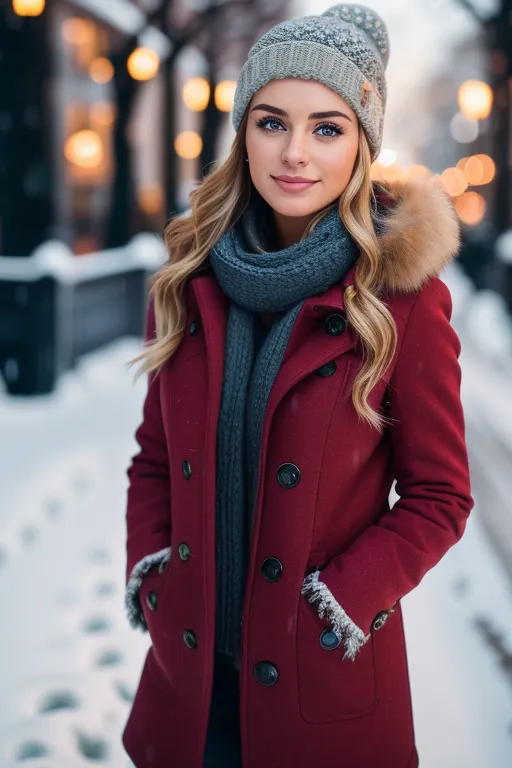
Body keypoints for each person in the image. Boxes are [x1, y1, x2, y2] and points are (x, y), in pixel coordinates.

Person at [122, 4, 474, 767]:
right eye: (272, 121)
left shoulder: (400, 301)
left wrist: (339, 603)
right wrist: (152, 575)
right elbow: (154, 460)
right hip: (192, 682)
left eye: (327, 128)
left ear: (362, 145)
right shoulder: (188, 280)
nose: (294, 154)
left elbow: (441, 497)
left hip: (321, 687)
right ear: (243, 131)